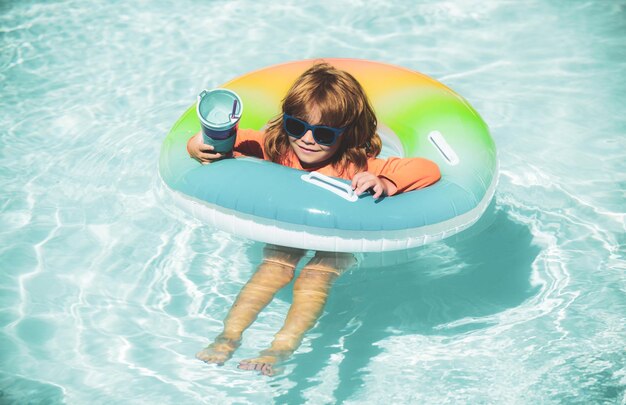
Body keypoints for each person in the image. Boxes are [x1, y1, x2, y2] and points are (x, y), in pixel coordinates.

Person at [187, 62, 441, 375]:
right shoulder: (278, 147)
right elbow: (231, 141)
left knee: (314, 276)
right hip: (291, 233)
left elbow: (428, 169)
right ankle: (228, 337)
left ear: (348, 134)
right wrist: (196, 145)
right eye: (297, 127)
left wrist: (385, 183)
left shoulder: (357, 164)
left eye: (322, 133)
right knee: (272, 269)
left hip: (336, 240)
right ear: (286, 123)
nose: (307, 139)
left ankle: (281, 348)